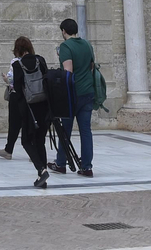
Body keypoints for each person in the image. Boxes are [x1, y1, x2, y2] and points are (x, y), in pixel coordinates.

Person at [50, 17, 95, 177]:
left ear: (63, 31)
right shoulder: (87, 45)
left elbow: (68, 72)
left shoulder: (65, 46)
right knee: (85, 130)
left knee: (65, 130)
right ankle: (87, 166)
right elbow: (90, 67)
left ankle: (61, 163)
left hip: (72, 94)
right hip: (88, 91)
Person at [8, 36, 54, 188]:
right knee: (40, 140)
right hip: (44, 107)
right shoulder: (40, 60)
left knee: (26, 141)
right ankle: (43, 177)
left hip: (29, 110)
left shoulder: (17, 65)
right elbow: (47, 82)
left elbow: (18, 91)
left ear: (18, 50)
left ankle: (41, 169)